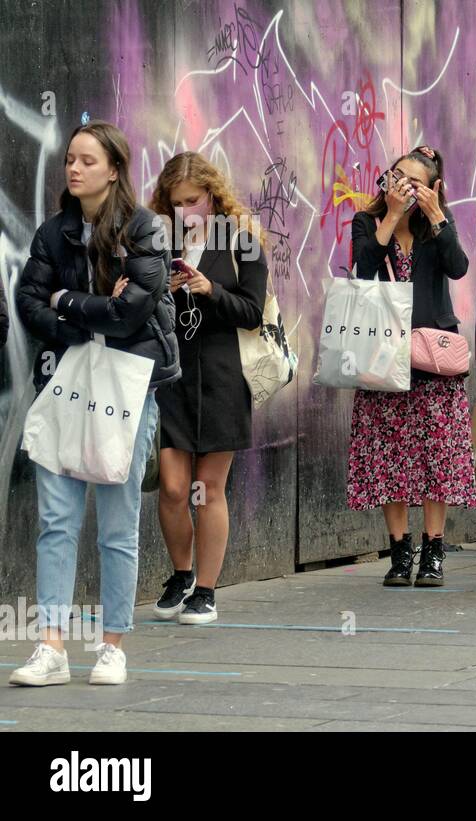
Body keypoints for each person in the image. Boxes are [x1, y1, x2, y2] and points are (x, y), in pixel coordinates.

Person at [11, 121, 179, 686]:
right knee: (56, 521)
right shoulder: (54, 233)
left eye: (87, 161)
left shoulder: (144, 229)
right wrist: (80, 313)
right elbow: (28, 299)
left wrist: (65, 301)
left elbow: (130, 310)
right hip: (65, 385)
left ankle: (112, 646)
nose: (74, 169)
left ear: (113, 169)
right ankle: (52, 646)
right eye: (70, 161)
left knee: (116, 523)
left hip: (127, 391)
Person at [148, 151, 269, 625]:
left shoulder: (244, 241)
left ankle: (206, 588)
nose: (185, 212)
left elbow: (252, 311)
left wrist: (209, 290)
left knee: (207, 487)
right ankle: (180, 574)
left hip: (221, 376)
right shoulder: (160, 240)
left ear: (214, 195)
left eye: (193, 201)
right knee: (174, 487)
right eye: (175, 203)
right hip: (173, 375)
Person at [349, 146, 476, 587]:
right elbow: (363, 270)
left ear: (431, 187)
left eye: (413, 180)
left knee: (435, 457)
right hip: (382, 355)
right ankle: (400, 552)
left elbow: (458, 268)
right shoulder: (367, 221)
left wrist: (436, 215)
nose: (402, 184)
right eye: (396, 175)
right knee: (390, 456)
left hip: (433, 357)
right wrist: (389, 216)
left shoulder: (436, 225)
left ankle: (434, 552)